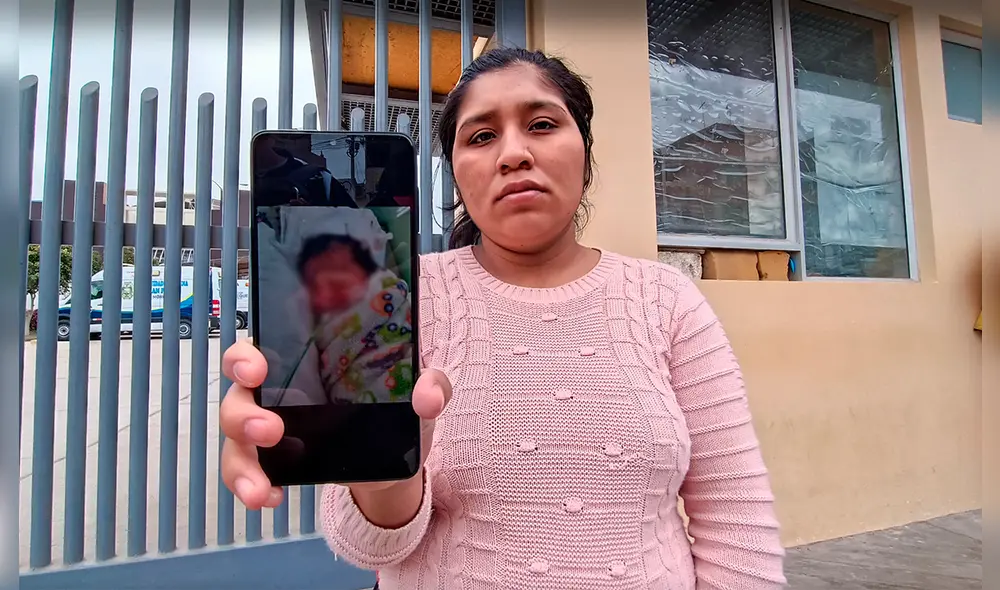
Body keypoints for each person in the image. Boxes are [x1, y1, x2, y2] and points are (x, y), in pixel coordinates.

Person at [220, 47, 786, 589]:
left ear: (584, 152)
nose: (513, 153)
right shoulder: (395, 294)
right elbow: (370, 549)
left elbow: (738, 528)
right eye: (482, 136)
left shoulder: (666, 299)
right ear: (458, 176)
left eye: (542, 124)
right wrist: (389, 469)